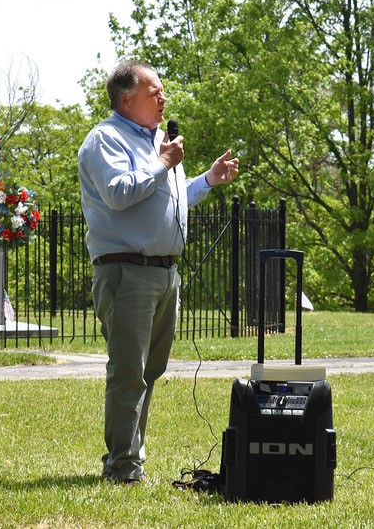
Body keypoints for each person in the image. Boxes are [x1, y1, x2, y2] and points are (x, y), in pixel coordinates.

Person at [77, 60, 239, 485]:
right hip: (126, 273)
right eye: (155, 92)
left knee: (150, 372)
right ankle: (124, 467)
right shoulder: (104, 139)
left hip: (165, 274)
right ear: (127, 99)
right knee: (129, 371)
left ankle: (130, 458)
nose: (164, 98)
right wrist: (164, 160)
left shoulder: (158, 144)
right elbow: (119, 193)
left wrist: (205, 179)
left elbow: (164, 197)